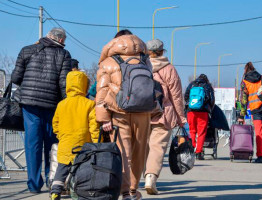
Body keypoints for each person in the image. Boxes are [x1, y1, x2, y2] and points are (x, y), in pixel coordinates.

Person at [11, 28, 72, 193]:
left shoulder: (27, 50)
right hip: (52, 105)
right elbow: (63, 83)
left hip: (29, 104)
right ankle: (52, 180)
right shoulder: (64, 54)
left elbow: (15, 78)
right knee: (52, 144)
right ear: (60, 40)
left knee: (33, 144)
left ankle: (34, 184)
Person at [96, 29, 149, 200]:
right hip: (143, 113)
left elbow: (102, 91)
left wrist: (104, 118)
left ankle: (125, 192)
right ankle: (134, 190)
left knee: (122, 153)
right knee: (139, 153)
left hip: (119, 114)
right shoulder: (145, 60)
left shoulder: (109, 62)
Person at [144, 39, 186, 195]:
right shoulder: (169, 69)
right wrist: (181, 118)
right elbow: (176, 96)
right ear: (162, 51)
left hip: (141, 113)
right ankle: (150, 177)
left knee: (141, 148)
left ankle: (135, 180)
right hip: (163, 113)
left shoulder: (141, 66)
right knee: (157, 147)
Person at [50, 71, 100, 200]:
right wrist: (96, 142)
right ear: (84, 86)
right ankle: (76, 192)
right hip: (83, 144)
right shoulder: (89, 104)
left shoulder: (61, 104)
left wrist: (60, 136)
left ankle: (55, 191)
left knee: (61, 169)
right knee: (81, 170)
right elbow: (93, 126)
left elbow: (55, 124)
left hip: (65, 143)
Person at [185, 74, 215, 160]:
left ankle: (191, 150)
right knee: (201, 132)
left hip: (191, 111)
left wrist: (190, 105)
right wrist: (209, 109)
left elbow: (186, 96)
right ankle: (198, 152)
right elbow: (212, 100)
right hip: (203, 112)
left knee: (192, 131)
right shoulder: (207, 86)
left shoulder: (191, 84)